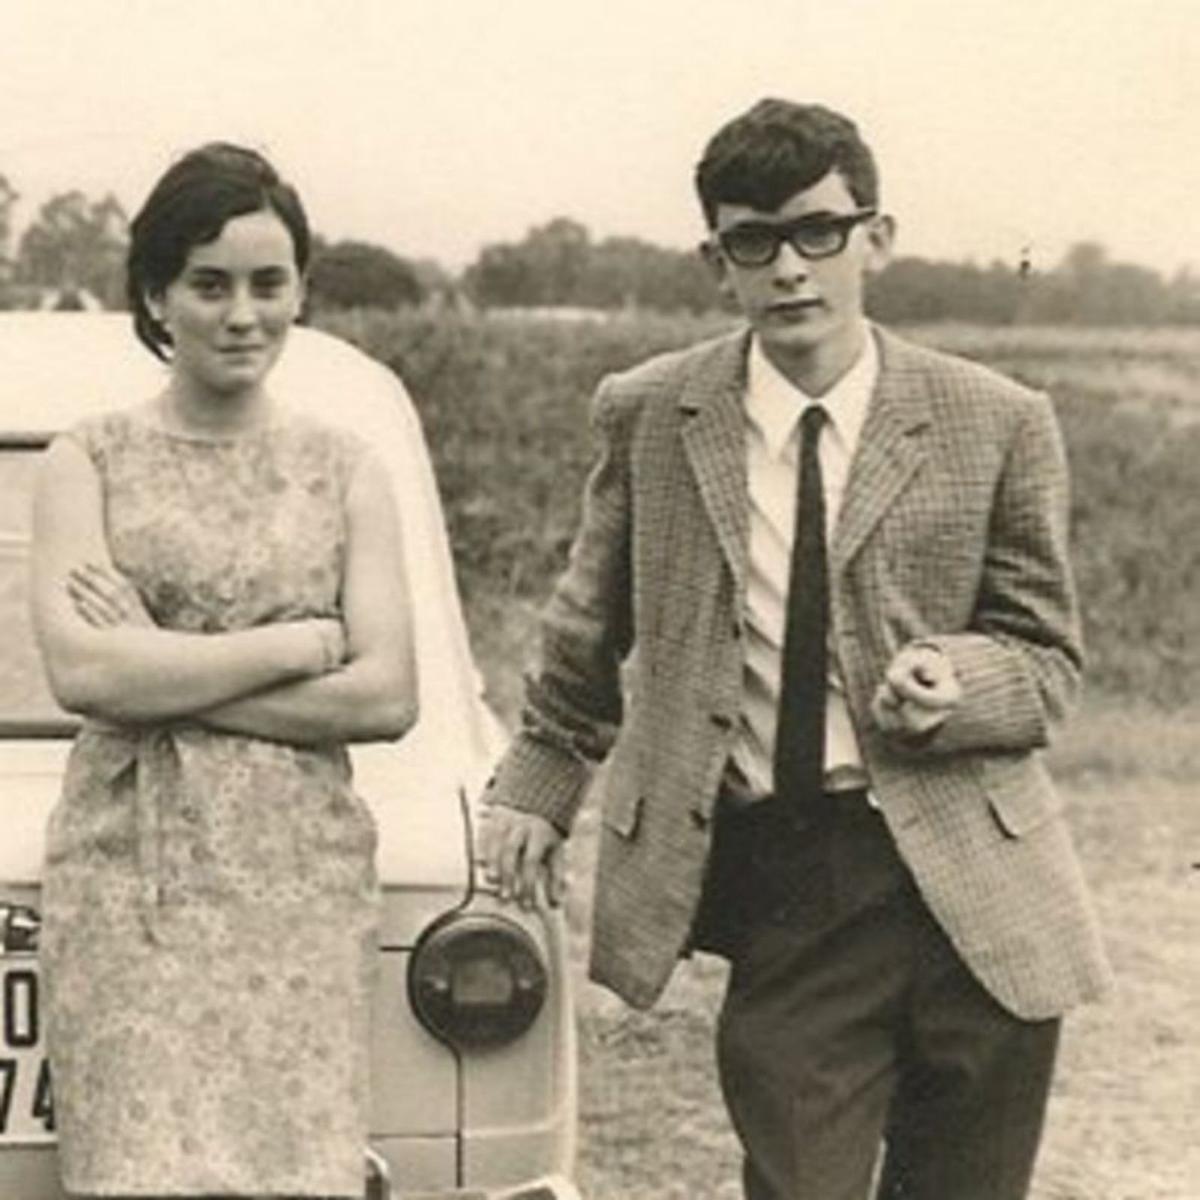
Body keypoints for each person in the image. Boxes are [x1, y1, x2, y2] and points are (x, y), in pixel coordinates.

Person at [479, 99, 1110, 1200]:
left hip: (979, 892)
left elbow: (1046, 662)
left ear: (877, 237)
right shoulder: (653, 416)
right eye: (754, 241)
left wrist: (958, 682)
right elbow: (585, 634)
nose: (791, 270)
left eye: (820, 231)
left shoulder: (995, 418)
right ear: (715, 259)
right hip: (793, 883)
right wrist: (537, 787)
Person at [31, 143, 417, 1199]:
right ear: (156, 293)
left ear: (300, 289)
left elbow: (385, 694)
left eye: (268, 283)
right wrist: (292, 645)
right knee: (139, 1178)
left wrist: (161, 656)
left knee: (295, 1176)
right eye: (208, 284)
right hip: (128, 884)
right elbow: (86, 675)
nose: (242, 313)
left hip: (298, 879)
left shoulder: (346, 467)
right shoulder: (88, 459)